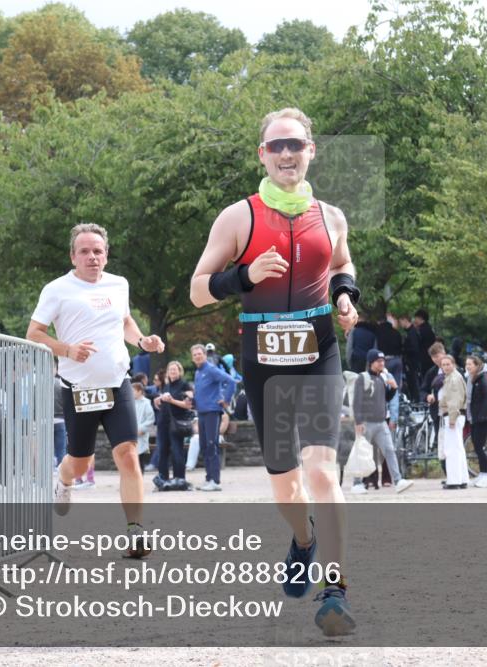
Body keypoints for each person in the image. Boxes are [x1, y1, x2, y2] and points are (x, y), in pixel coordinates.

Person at [189, 107, 360, 635]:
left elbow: (341, 264)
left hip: (318, 350)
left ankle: (335, 590)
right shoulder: (238, 217)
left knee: (322, 471)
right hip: (262, 357)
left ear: (312, 152)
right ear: (263, 154)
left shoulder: (331, 216)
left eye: (296, 144)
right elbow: (198, 289)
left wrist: (346, 297)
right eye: (277, 145)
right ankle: (303, 540)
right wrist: (243, 275)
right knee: (286, 488)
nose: (287, 153)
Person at [26, 222, 165, 557]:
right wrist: (68, 349)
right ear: (73, 256)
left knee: (128, 455)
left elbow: (125, 322)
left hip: (117, 383)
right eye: (85, 251)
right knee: (80, 459)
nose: (92, 257)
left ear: (107, 254)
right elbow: (34, 333)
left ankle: (135, 532)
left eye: (98, 251)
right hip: (79, 388)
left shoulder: (119, 284)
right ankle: (63, 477)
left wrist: (142, 340)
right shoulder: (57, 289)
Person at [350, 349, 412, 495]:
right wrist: (358, 422)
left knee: (390, 450)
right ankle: (357, 483)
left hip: (381, 422)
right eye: (379, 361)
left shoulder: (383, 377)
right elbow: (357, 401)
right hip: (366, 422)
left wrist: (394, 388)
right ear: (371, 362)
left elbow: (385, 398)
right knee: (362, 453)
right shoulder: (362, 378)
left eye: (383, 361)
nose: (382, 363)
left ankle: (398, 481)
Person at [191, 343, 235, 491]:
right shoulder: (198, 372)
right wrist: (192, 402)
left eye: (199, 353)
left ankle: (215, 481)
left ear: (205, 355)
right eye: (195, 354)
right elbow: (200, 392)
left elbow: (231, 381)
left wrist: (226, 400)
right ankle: (209, 479)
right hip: (202, 413)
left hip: (212, 412)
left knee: (211, 445)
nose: (197, 356)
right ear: (193, 358)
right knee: (204, 446)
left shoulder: (211, 369)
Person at [154, 360, 194, 491]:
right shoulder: (166, 385)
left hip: (177, 423)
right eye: (170, 369)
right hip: (163, 423)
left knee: (177, 452)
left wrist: (172, 400)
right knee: (162, 452)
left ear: (180, 371)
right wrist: (158, 400)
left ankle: (180, 479)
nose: (172, 371)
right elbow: (161, 402)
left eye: (175, 369)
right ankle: (163, 480)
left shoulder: (184, 385)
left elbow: (188, 404)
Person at [437, 354, 469, 489]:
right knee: (458, 448)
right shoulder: (453, 377)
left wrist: (452, 418)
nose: (445, 367)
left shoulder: (453, 379)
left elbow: (454, 400)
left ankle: (454, 481)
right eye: (443, 365)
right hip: (456, 415)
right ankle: (462, 479)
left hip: (453, 415)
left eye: (448, 364)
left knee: (452, 450)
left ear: (453, 364)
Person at [465, 354, 487, 488]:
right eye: (466, 364)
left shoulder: (482, 378)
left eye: (470, 364)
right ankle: (482, 474)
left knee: (479, 447)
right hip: (475, 417)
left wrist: (483, 413)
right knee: (477, 446)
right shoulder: (473, 378)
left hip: (482, 418)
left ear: (477, 365)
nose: (467, 367)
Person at [133, 382, 155, 469]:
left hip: (141, 434)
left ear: (139, 391)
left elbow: (150, 419)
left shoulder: (146, 403)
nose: (131, 393)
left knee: (139, 459)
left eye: (133, 391)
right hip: (131, 434)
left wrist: (141, 429)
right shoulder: (131, 402)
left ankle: (140, 480)